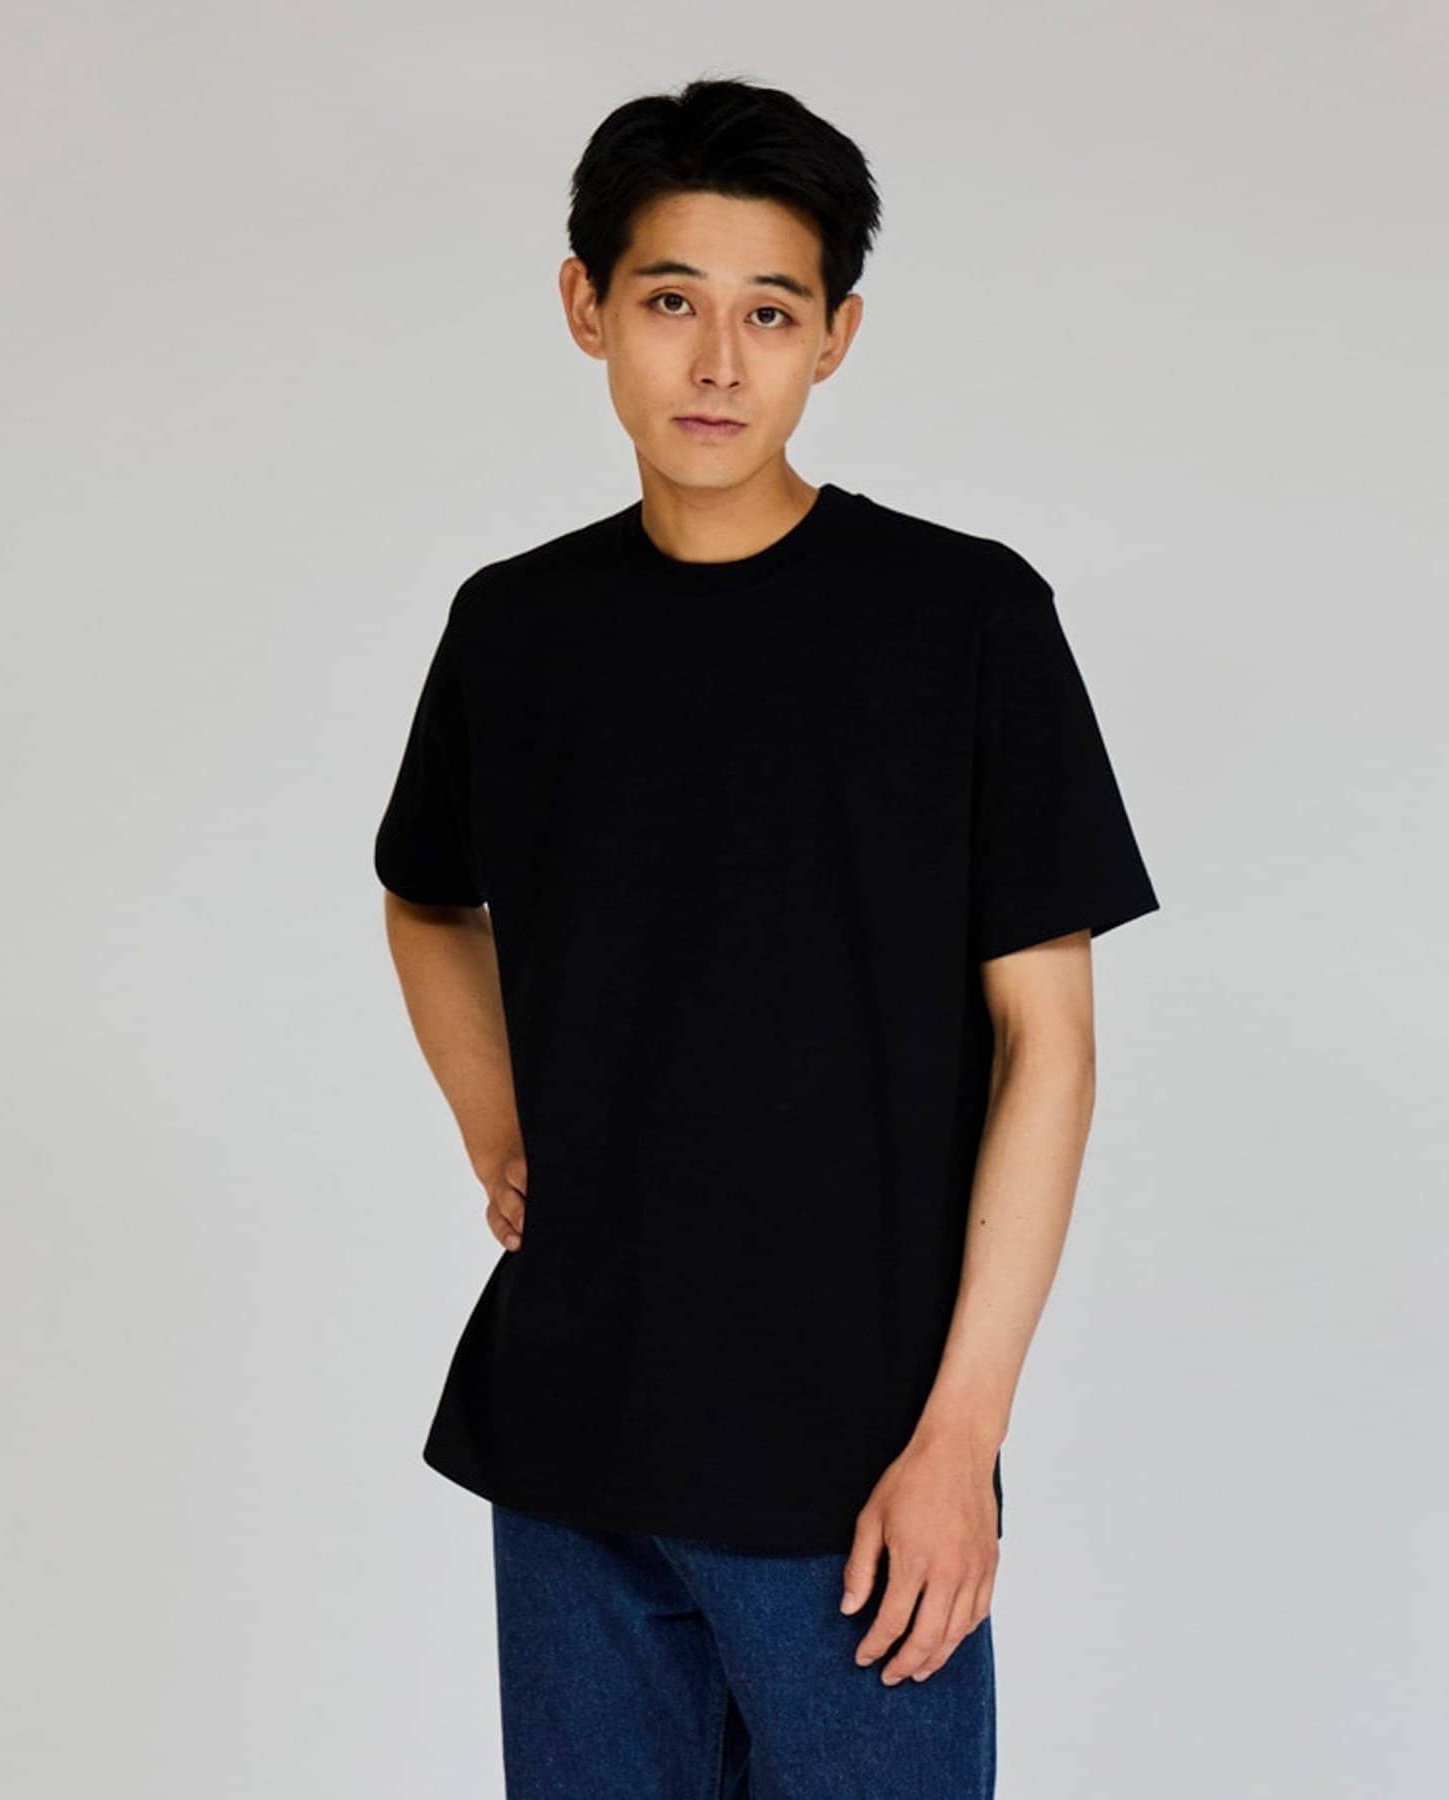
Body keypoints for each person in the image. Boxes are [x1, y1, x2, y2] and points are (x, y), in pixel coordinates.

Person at [373, 75, 1160, 1799]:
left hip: (856, 1465)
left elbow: (1049, 1043)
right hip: (573, 1439)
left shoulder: (963, 620)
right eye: (672, 301)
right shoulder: (515, 630)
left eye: (771, 313)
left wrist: (962, 1439)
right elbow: (425, 894)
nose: (719, 363)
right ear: (587, 305)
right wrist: (500, 1127)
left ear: (836, 337)